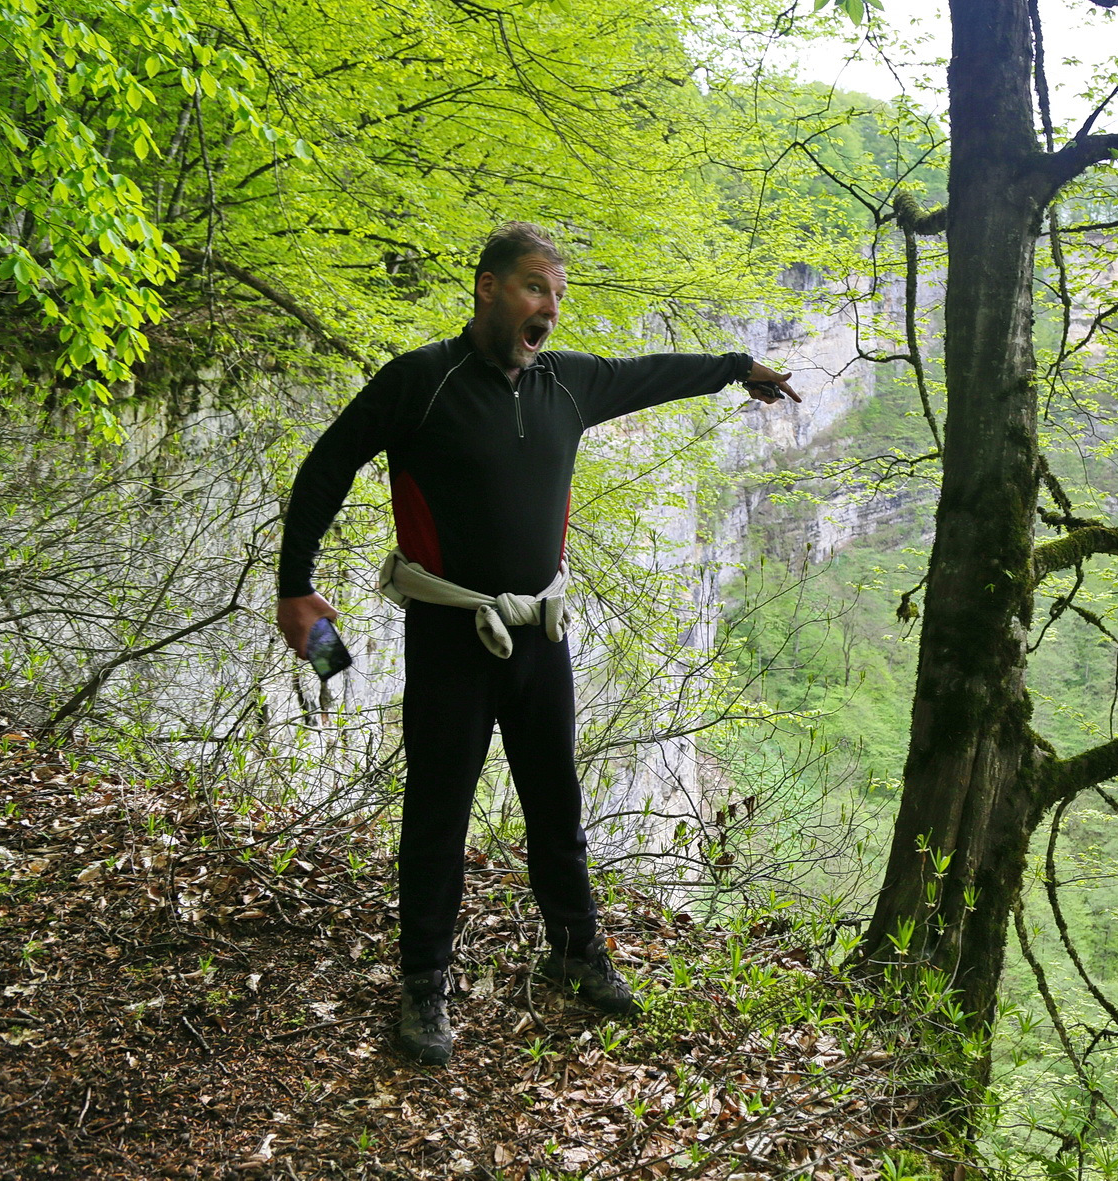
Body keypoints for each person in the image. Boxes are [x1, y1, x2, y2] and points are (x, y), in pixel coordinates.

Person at [274, 221, 799, 1065]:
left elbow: (652, 374)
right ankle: (423, 985)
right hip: (451, 633)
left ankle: (574, 949)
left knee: (556, 800)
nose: (548, 306)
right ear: (486, 288)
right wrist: (296, 586)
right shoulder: (420, 382)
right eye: (533, 287)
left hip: (540, 636)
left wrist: (738, 368)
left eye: (556, 294)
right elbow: (327, 466)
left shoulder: (569, 384)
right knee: (437, 816)